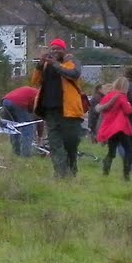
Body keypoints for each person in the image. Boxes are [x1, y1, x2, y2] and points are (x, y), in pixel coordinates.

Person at [29, 39, 85, 177]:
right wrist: (40, 65)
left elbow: (74, 74)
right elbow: (34, 81)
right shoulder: (47, 66)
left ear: (64, 50)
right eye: (52, 49)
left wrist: (55, 64)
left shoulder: (71, 62)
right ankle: (61, 174)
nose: (54, 51)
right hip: (50, 111)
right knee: (55, 144)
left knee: (70, 144)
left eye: (57, 49)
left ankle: (71, 171)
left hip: (70, 112)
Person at [96, 78, 132, 180]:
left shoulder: (108, 96)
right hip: (121, 127)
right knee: (129, 150)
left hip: (110, 128)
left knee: (111, 152)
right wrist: (129, 105)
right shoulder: (121, 96)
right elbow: (128, 111)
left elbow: (102, 110)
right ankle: (126, 175)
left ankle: (105, 172)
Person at [0, 83, 41, 157]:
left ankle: (16, 152)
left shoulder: (32, 92)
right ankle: (25, 155)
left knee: (14, 127)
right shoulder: (40, 97)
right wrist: (39, 137)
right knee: (28, 128)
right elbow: (39, 119)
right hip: (18, 102)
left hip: (5, 101)